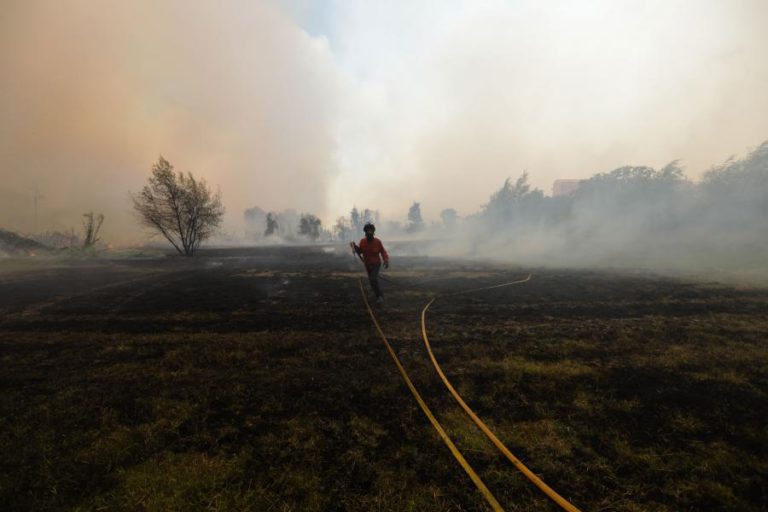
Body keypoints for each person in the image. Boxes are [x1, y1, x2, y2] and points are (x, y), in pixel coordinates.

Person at [351, 222, 389, 303]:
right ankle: (378, 294)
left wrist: (386, 260)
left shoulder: (377, 242)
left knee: (373, 278)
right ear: (365, 232)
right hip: (367, 264)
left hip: (376, 264)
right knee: (372, 281)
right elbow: (360, 251)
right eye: (367, 231)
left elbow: (383, 252)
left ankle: (380, 296)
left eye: (370, 231)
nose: (369, 233)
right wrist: (354, 246)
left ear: (373, 232)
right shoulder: (362, 242)